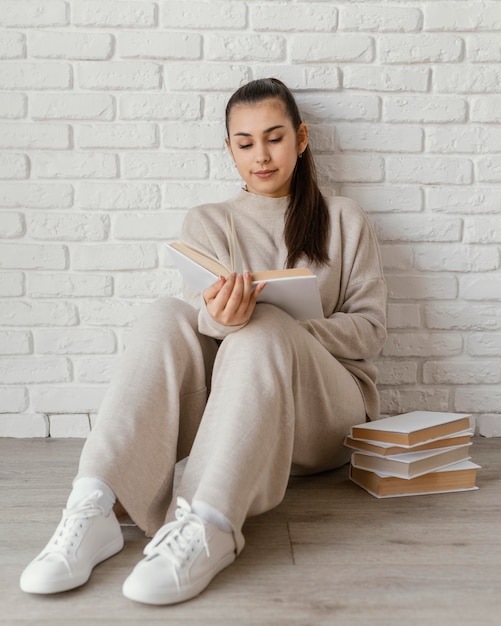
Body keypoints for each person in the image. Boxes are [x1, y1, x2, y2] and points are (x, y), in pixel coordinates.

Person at [19, 78, 387, 605]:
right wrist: (221, 319)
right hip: (245, 414)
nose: (261, 155)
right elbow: (199, 332)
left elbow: (371, 331)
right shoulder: (210, 222)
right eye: (245, 143)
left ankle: (208, 523)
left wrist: (286, 330)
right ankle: (97, 500)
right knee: (167, 314)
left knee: (263, 328)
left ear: (301, 138)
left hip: (327, 413)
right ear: (230, 149)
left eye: (275, 137)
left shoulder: (347, 219)